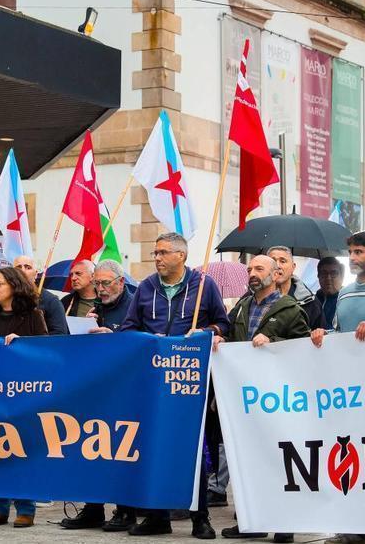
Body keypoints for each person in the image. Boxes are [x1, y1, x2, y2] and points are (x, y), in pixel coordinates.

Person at [100, 232, 228, 539]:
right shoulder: (146, 287)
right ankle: (157, 516)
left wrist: (206, 331)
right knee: (153, 445)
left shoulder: (204, 286)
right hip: (153, 380)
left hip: (189, 380)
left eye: (162, 252)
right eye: (155, 252)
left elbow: (223, 324)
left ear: (181, 256)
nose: (156, 257)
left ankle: (200, 517)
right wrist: (128, 336)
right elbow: (131, 327)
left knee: (192, 449)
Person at [218, 255, 307, 543]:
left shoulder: (291, 309)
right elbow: (230, 337)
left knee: (281, 460)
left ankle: (285, 523)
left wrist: (274, 343)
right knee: (248, 459)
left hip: (278, 398)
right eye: (249, 269)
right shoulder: (242, 307)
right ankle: (252, 520)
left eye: (259, 269)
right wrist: (219, 337)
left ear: (276, 273)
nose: (252, 273)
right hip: (246, 397)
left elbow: (304, 350)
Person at [58, 259, 138, 532]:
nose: (101, 289)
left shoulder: (134, 305)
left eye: (106, 283)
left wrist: (112, 335)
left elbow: (143, 340)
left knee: (122, 450)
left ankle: (125, 510)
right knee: (92, 448)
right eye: (98, 284)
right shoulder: (97, 308)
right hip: (98, 387)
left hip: (127, 388)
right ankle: (93, 508)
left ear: (121, 282)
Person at [0, 267, 49, 528]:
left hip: (24, 394)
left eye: (0, 283)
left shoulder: (34, 316)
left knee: (23, 449)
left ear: (14, 286)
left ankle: (26, 508)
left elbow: (47, 351)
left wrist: (26, 344)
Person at [266, 246, 325, 331]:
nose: (277, 266)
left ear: (293, 267)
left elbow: (322, 335)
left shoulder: (309, 301)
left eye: (283, 261)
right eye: (273, 261)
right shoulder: (253, 298)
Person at [13, 256, 69, 335]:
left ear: (36, 274)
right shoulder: (6, 299)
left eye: (28, 267)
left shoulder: (51, 301)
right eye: (18, 268)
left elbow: (59, 334)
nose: (22, 271)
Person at [315, 257, 344, 329]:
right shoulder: (312, 301)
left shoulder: (347, 300)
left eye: (333, 273)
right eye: (324, 273)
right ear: (318, 276)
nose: (328, 278)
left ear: (342, 276)